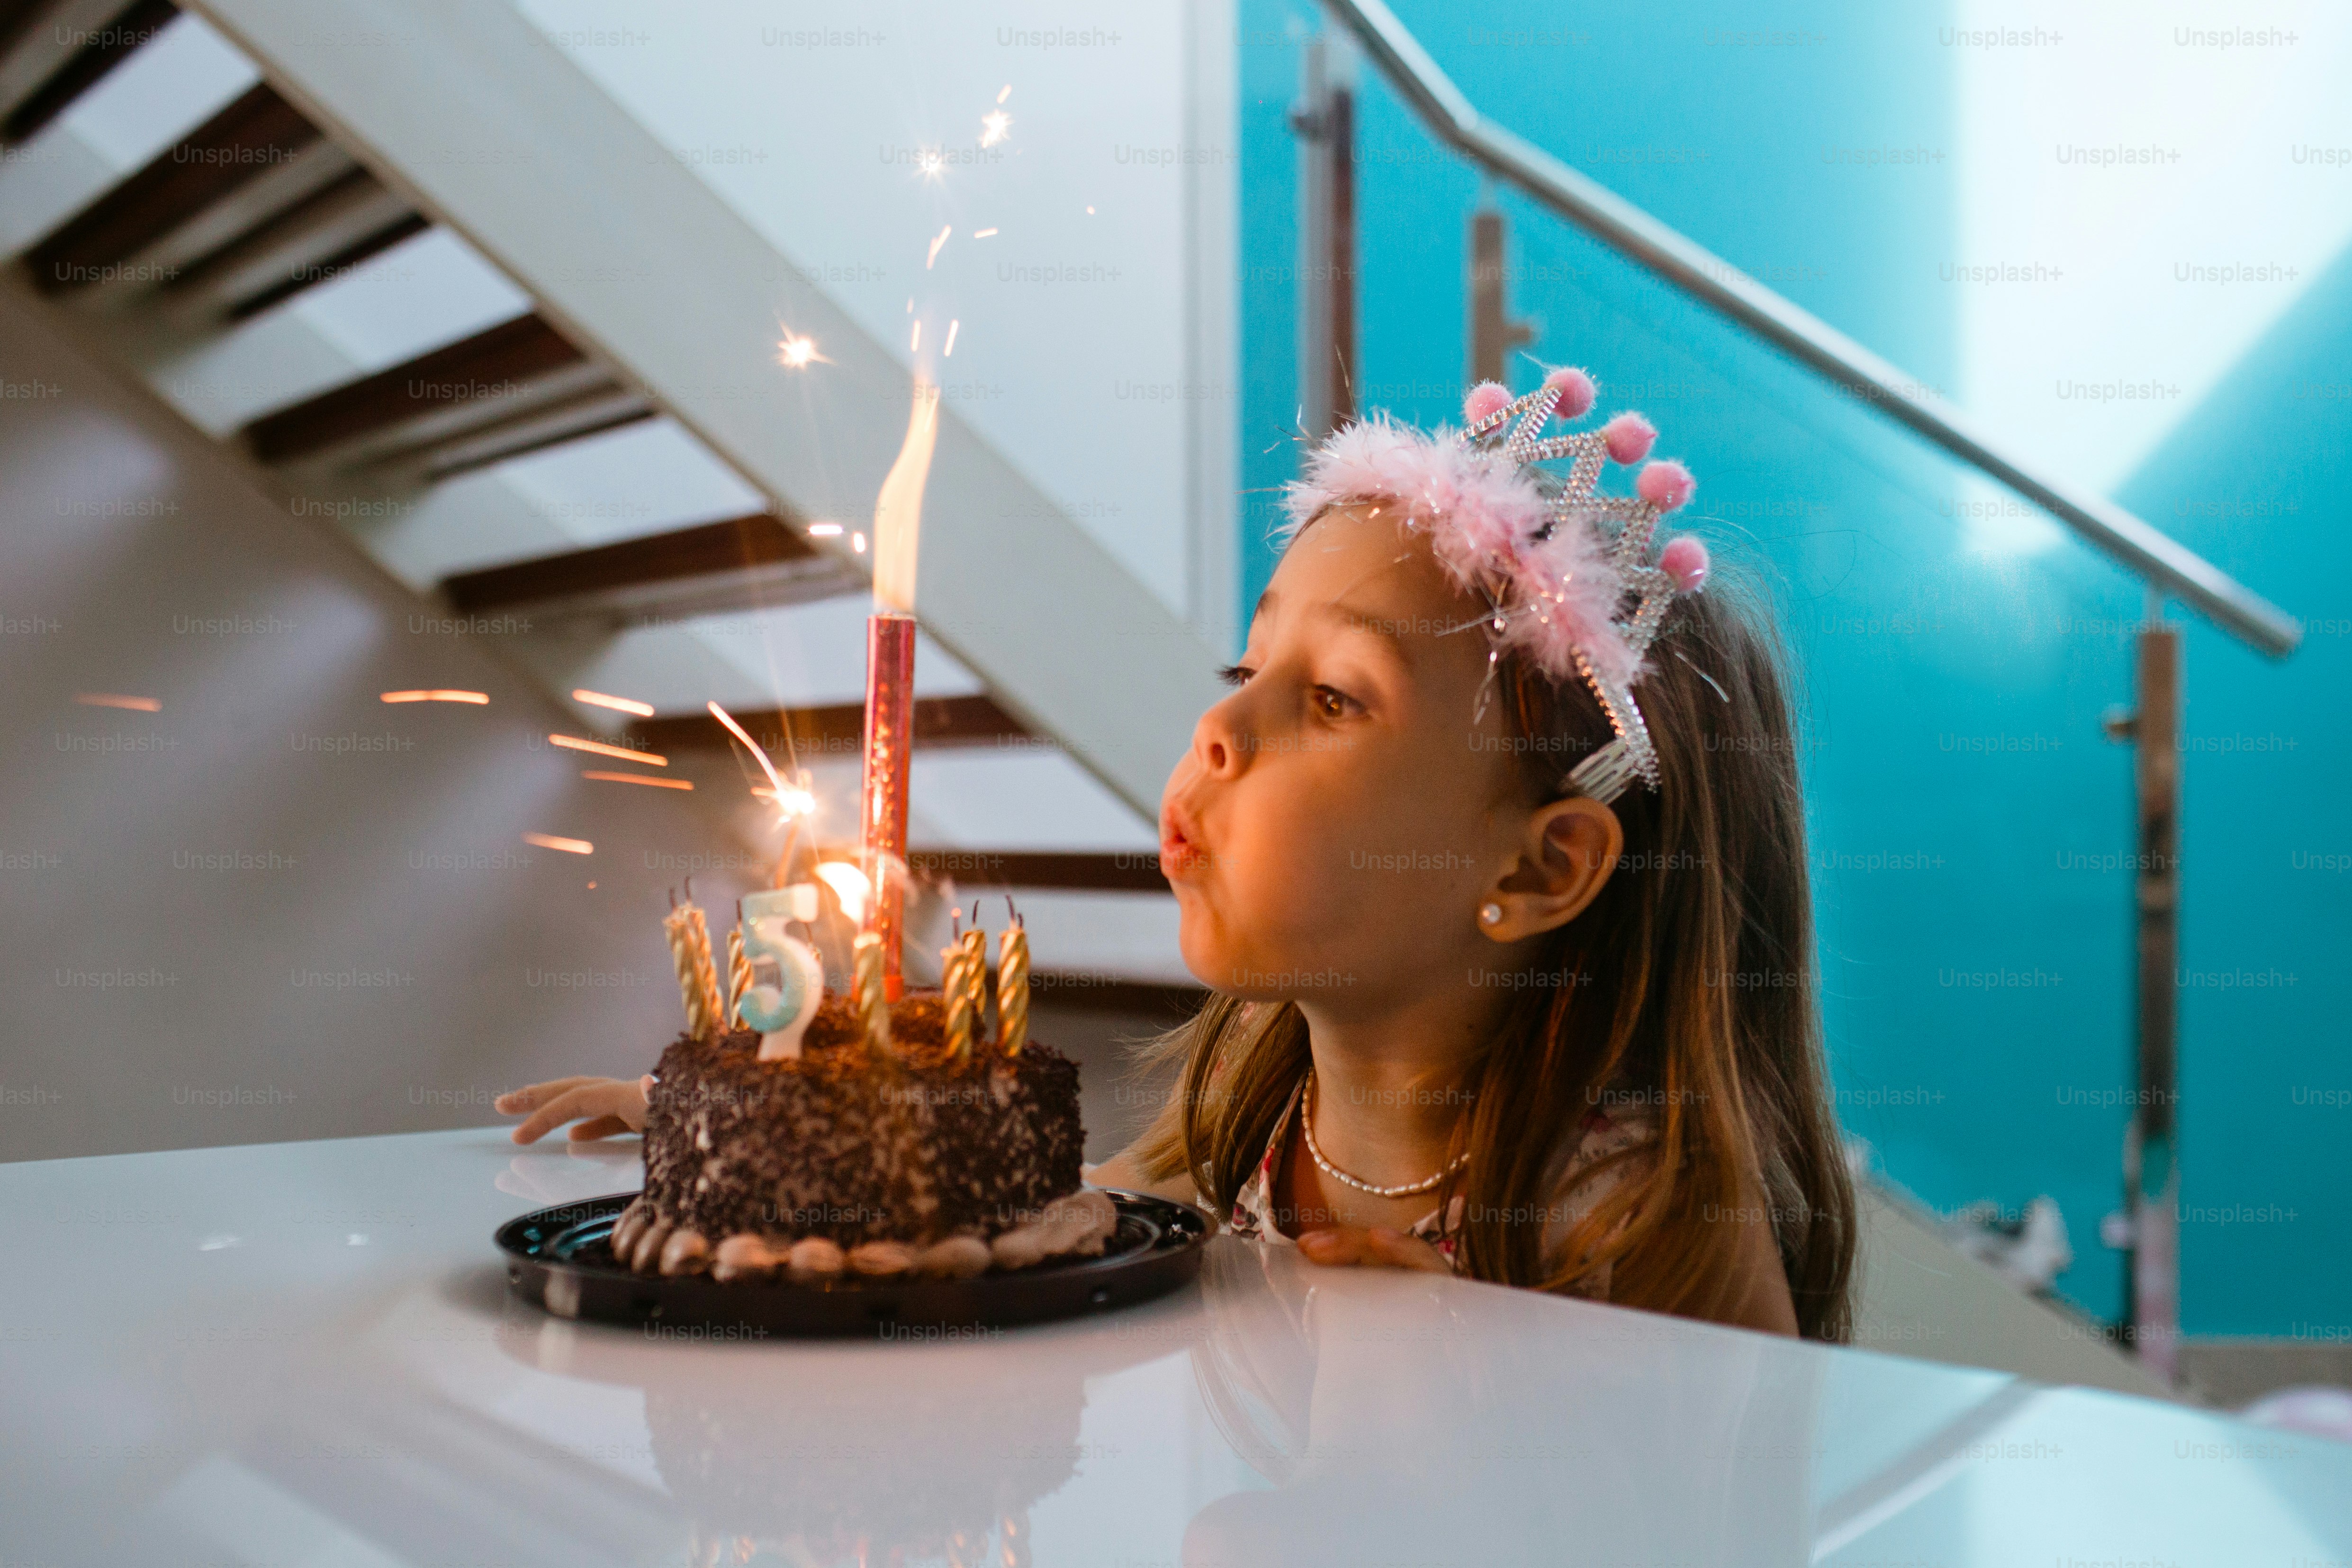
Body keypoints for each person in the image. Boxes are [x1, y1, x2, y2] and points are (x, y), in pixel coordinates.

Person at [1089, 370, 1854, 1339]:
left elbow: (1735, 1491)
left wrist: (1462, 1392)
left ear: (1539, 868)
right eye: (1245, 667)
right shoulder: (1239, 1130)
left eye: (1332, 697)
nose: (1218, 721)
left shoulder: (1636, 1226)